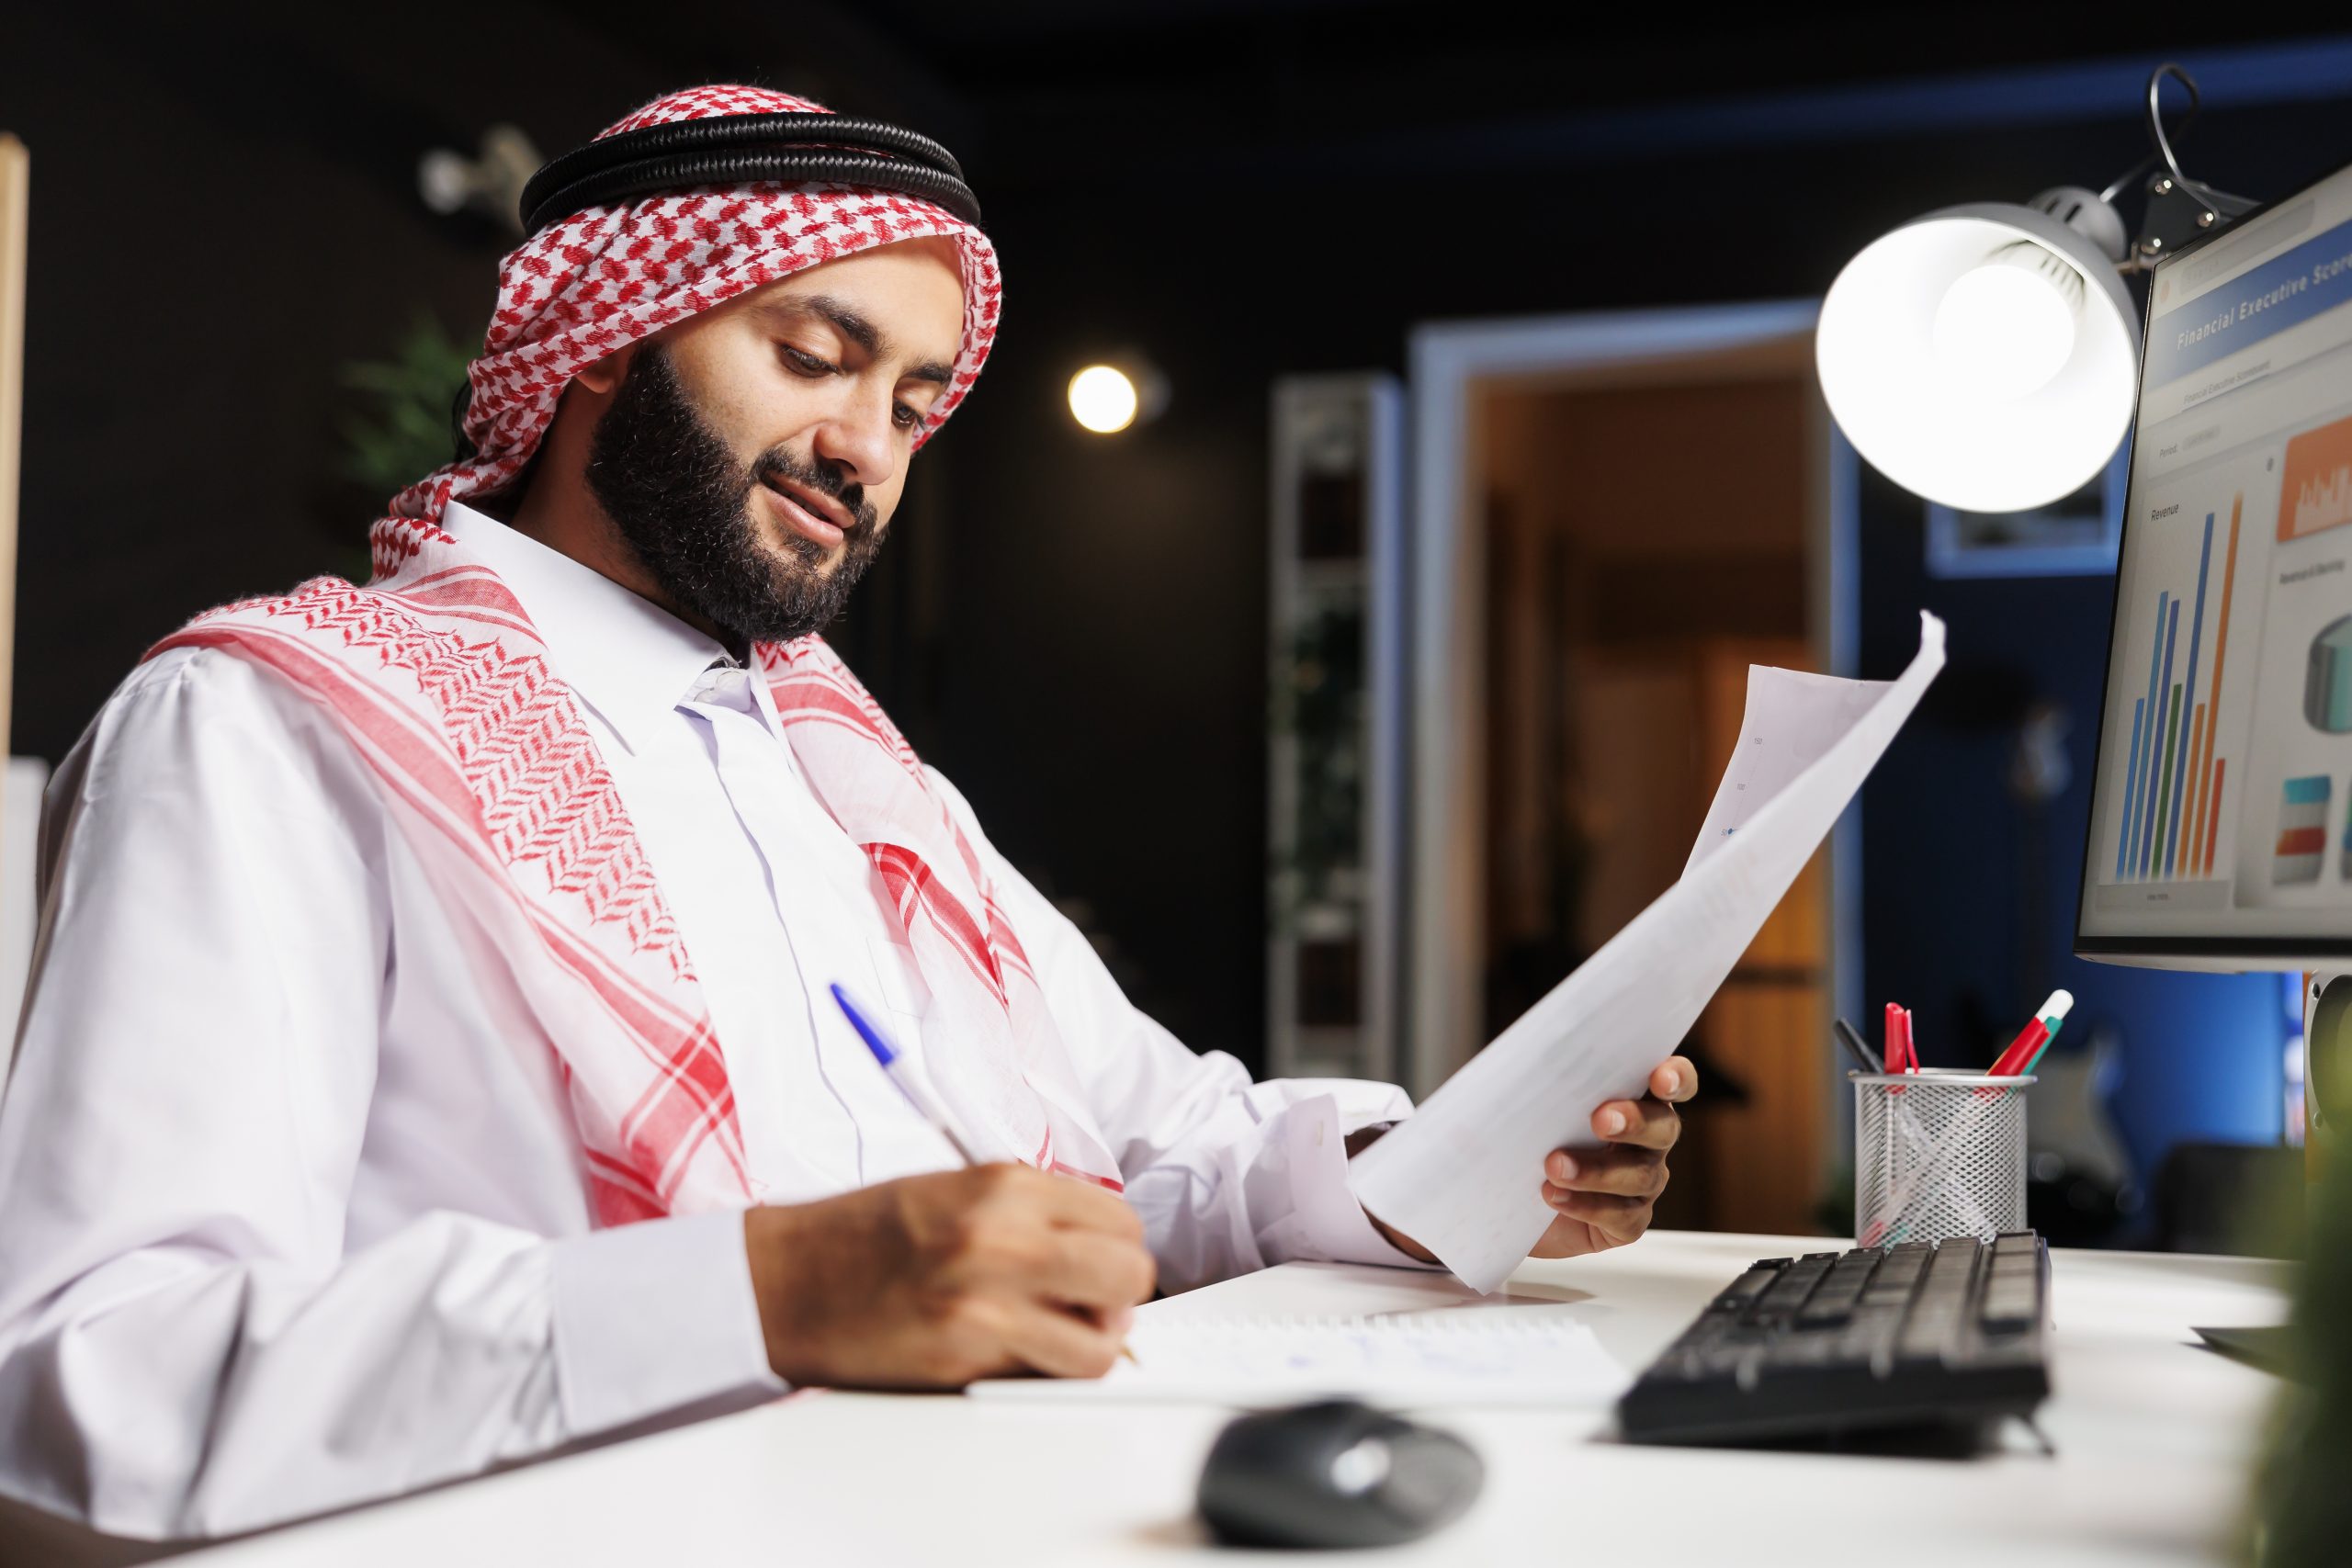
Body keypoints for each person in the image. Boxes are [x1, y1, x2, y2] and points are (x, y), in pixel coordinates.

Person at [0, 85, 1696, 1541]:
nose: (866, 450)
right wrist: (771, 1293)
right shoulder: (269, 725)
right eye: (816, 356)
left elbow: (1161, 1149)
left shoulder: (855, 773)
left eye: (909, 404)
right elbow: (86, 1376)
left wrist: (1439, 1177)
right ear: (605, 339)